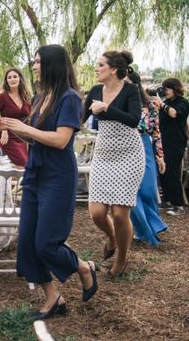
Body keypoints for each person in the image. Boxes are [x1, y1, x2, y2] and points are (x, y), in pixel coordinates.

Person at [0, 44, 98, 320]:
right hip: (35, 173)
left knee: (46, 243)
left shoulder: (70, 98)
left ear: (52, 64)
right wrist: (12, 128)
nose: (34, 66)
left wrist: (24, 128)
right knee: (28, 242)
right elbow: (36, 136)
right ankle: (53, 298)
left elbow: (61, 140)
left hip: (57, 176)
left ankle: (83, 267)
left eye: (39, 62)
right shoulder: (42, 96)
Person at [83, 50, 144, 278]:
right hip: (104, 154)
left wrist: (107, 108)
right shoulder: (96, 91)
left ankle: (121, 259)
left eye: (100, 65)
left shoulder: (131, 90)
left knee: (120, 214)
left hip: (129, 154)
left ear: (114, 70)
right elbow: (78, 117)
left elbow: (134, 120)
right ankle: (111, 238)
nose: (96, 69)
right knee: (97, 212)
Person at [126, 70, 167, 245]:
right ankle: (141, 230)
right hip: (125, 147)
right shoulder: (120, 104)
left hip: (145, 146)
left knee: (148, 191)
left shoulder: (151, 105)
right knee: (131, 192)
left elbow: (156, 133)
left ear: (137, 85)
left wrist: (160, 157)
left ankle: (153, 226)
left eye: (129, 83)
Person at [155, 78, 189, 215]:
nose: (165, 92)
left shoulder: (183, 102)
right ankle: (167, 200)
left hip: (176, 142)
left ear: (175, 89)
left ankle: (178, 205)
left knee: (173, 172)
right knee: (163, 171)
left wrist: (162, 104)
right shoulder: (166, 103)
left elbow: (174, 114)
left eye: (167, 89)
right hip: (163, 142)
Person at [0, 68, 32, 166]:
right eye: (9, 77)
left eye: (15, 76)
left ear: (20, 79)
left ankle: (15, 181)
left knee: (26, 165)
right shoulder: (2, 97)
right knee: (23, 163)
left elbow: (31, 117)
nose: (12, 79)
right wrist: (3, 129)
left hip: (24, 137)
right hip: (7, 137)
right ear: (6, 81)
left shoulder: (26, 96)